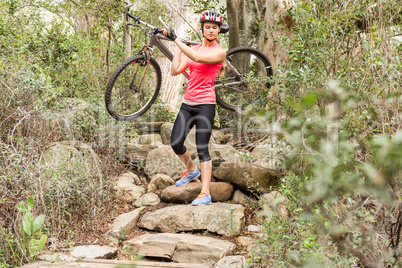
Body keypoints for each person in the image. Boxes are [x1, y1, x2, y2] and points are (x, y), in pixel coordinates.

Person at [162, 10, 226, 205]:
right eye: (208, 27)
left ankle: (205, 193)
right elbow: (174, 71)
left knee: (202, 148)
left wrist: (177, 41)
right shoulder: (195, 48)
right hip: (188, 104)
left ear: (219, 30)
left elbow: (198, 59)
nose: (211, 30)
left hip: (206, 104)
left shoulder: (219, 52)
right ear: (203, 28)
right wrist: (178, 47)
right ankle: (191, 170)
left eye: (215, 28)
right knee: (175, 143)